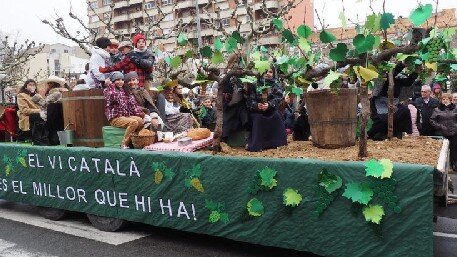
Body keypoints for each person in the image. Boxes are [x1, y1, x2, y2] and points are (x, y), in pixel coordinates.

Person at [246, 67, 287, 152]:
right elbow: (250, 100)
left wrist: (269, 105)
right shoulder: (255, 84)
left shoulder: (276, 85)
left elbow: (278, 98)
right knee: (258, 119)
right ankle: (258, 145)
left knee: (276, 116)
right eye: (265, 71)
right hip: (257, 112)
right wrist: (257, 106)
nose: (268, 73)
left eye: (270, 72)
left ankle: (276, 143)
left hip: (271, 110)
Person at [103, 71, 145, 149]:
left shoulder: (123, 91)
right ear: (113, 81)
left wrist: (140, 113)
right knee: (133, 122)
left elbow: (131, 103)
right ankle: (124, 144)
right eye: (117, 80)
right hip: (115, 118)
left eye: (122, 80)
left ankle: (134, 141)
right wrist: (110, 85)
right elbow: (114, 97)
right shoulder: (108, 90)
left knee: (140, 120)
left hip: (124, 116)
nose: (120, 82)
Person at [430, 93, 457, 170]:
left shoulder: (455, 108)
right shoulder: (437, 109)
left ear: (450, 100)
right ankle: (441, 167)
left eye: (447, 99)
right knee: (441, 151)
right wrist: (439, 127)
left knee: (454, 150)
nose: (445, 101)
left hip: (453, 132)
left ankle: (454, 165)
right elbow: (432, 120)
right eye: (443, 99)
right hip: (442, 132)